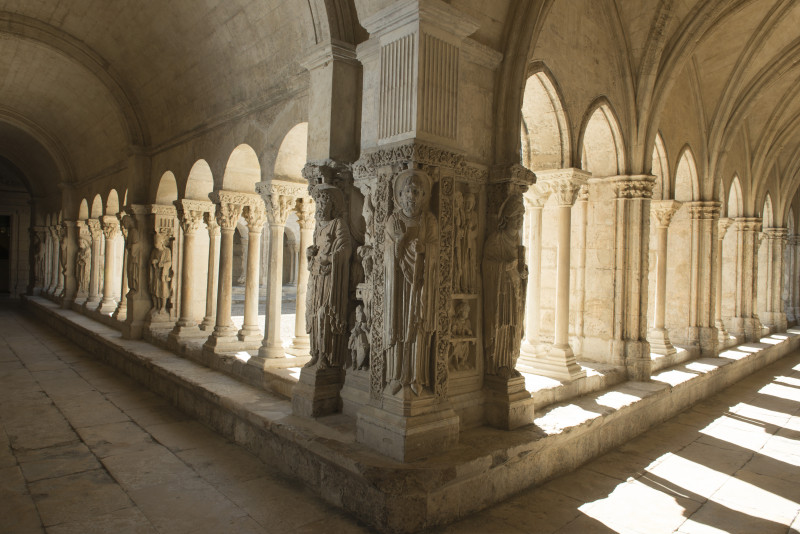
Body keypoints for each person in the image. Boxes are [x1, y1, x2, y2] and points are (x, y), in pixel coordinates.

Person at [384, 169, 438, 396]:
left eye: (416, 191)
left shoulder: (429, 221)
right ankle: (397, 376)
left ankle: (417, 376)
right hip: (398, 286)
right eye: (407, 191)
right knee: (398, 326)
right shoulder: (394, 220)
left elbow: (438, 249)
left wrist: (425, 249)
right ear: (401, 194)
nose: (411, 196)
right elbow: (387, 255)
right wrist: (399, 241)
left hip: (421, 284)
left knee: (418, 327)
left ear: (423, 195)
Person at [305, 184, 352, 368]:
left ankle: (327, 356)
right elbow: (316, 252)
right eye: (318, 205)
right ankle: (315, 353)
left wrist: (330, 258)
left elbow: (346, 249)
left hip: (330, 281)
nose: (320, 208)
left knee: (325, 315)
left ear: (332, 207)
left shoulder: (338, 224)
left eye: (324, 204)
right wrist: (310, 255)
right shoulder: (318, 228)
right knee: (314, 315)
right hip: (317, 279)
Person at [483, 194, 527, 378]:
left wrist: (523, 272)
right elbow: (486, 265)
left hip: (514, 291)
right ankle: (498, 364)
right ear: (506, 218)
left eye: (522, 217)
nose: (519, 221)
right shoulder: (496, 239)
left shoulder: (517, 240)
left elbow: (519, 268)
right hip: (500, 294)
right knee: (501, 325)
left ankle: (510, 362)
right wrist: (504, 267)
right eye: (516, 217)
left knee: (514, 327)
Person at [149, 232, 172, 313]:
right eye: (154, 242)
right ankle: (156, 306)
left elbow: (169, 262)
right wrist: (153, 262)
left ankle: (163, 307)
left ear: (161, 242)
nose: (155, 244)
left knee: (163, 291)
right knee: (155, 290)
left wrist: (162, 264)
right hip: (155, 273)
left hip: (163, 274)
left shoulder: (167, 251)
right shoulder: (154, 251)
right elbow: (151, 261)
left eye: (157, 242)